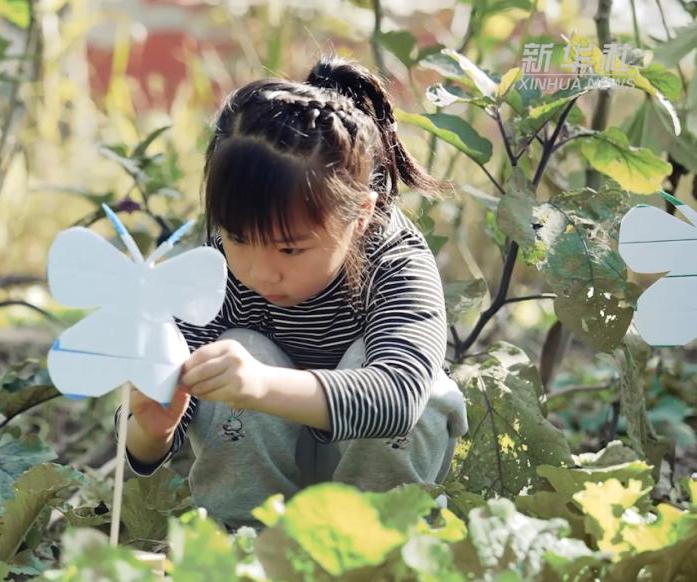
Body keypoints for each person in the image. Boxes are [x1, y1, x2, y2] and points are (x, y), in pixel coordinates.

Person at [113, 55, 468, 533]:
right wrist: (153, 430)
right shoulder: (216, 268)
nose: (261, 271)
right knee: (236, 349)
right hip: (257, 472)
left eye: (289, 248)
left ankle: (376, 551)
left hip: (371, 480)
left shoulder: (396, 264)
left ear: (359, 214)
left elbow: (400, 398)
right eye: (238, 238)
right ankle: (243, 544)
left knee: (416, 387)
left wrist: (259, 385)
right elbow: (146, 425)